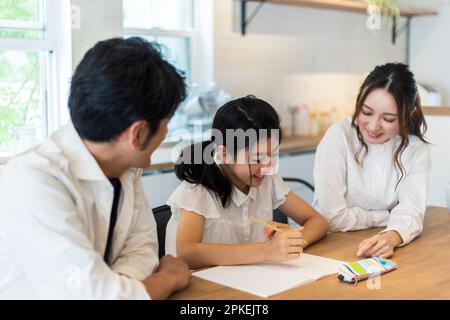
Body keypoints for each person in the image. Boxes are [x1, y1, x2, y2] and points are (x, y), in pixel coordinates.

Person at [0, 37, 191, 299]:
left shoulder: (125, 166)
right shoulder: (34, 182)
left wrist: (114, 289)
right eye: (167, 123)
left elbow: (142, 247)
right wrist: (168, 279)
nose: (167, 132)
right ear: (137, 134)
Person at [165, 96, 329, 269]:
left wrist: (292, 241)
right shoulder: (197, 190)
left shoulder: (266, 177)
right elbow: (187, 253)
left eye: (272, 154)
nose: (267, 165)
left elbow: (317, 221)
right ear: (225, 154)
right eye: (256, 158)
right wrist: (267, 250)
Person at [312, 63, 431, 259]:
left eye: (389, 119)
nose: (374, 126)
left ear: (406, 115)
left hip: (377, 249)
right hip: (329, 248)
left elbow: (411, 211)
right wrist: (386, 216)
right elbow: (331, 217)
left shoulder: (416, 149)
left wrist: (391, 237)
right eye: (366, 112)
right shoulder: (338, 137)